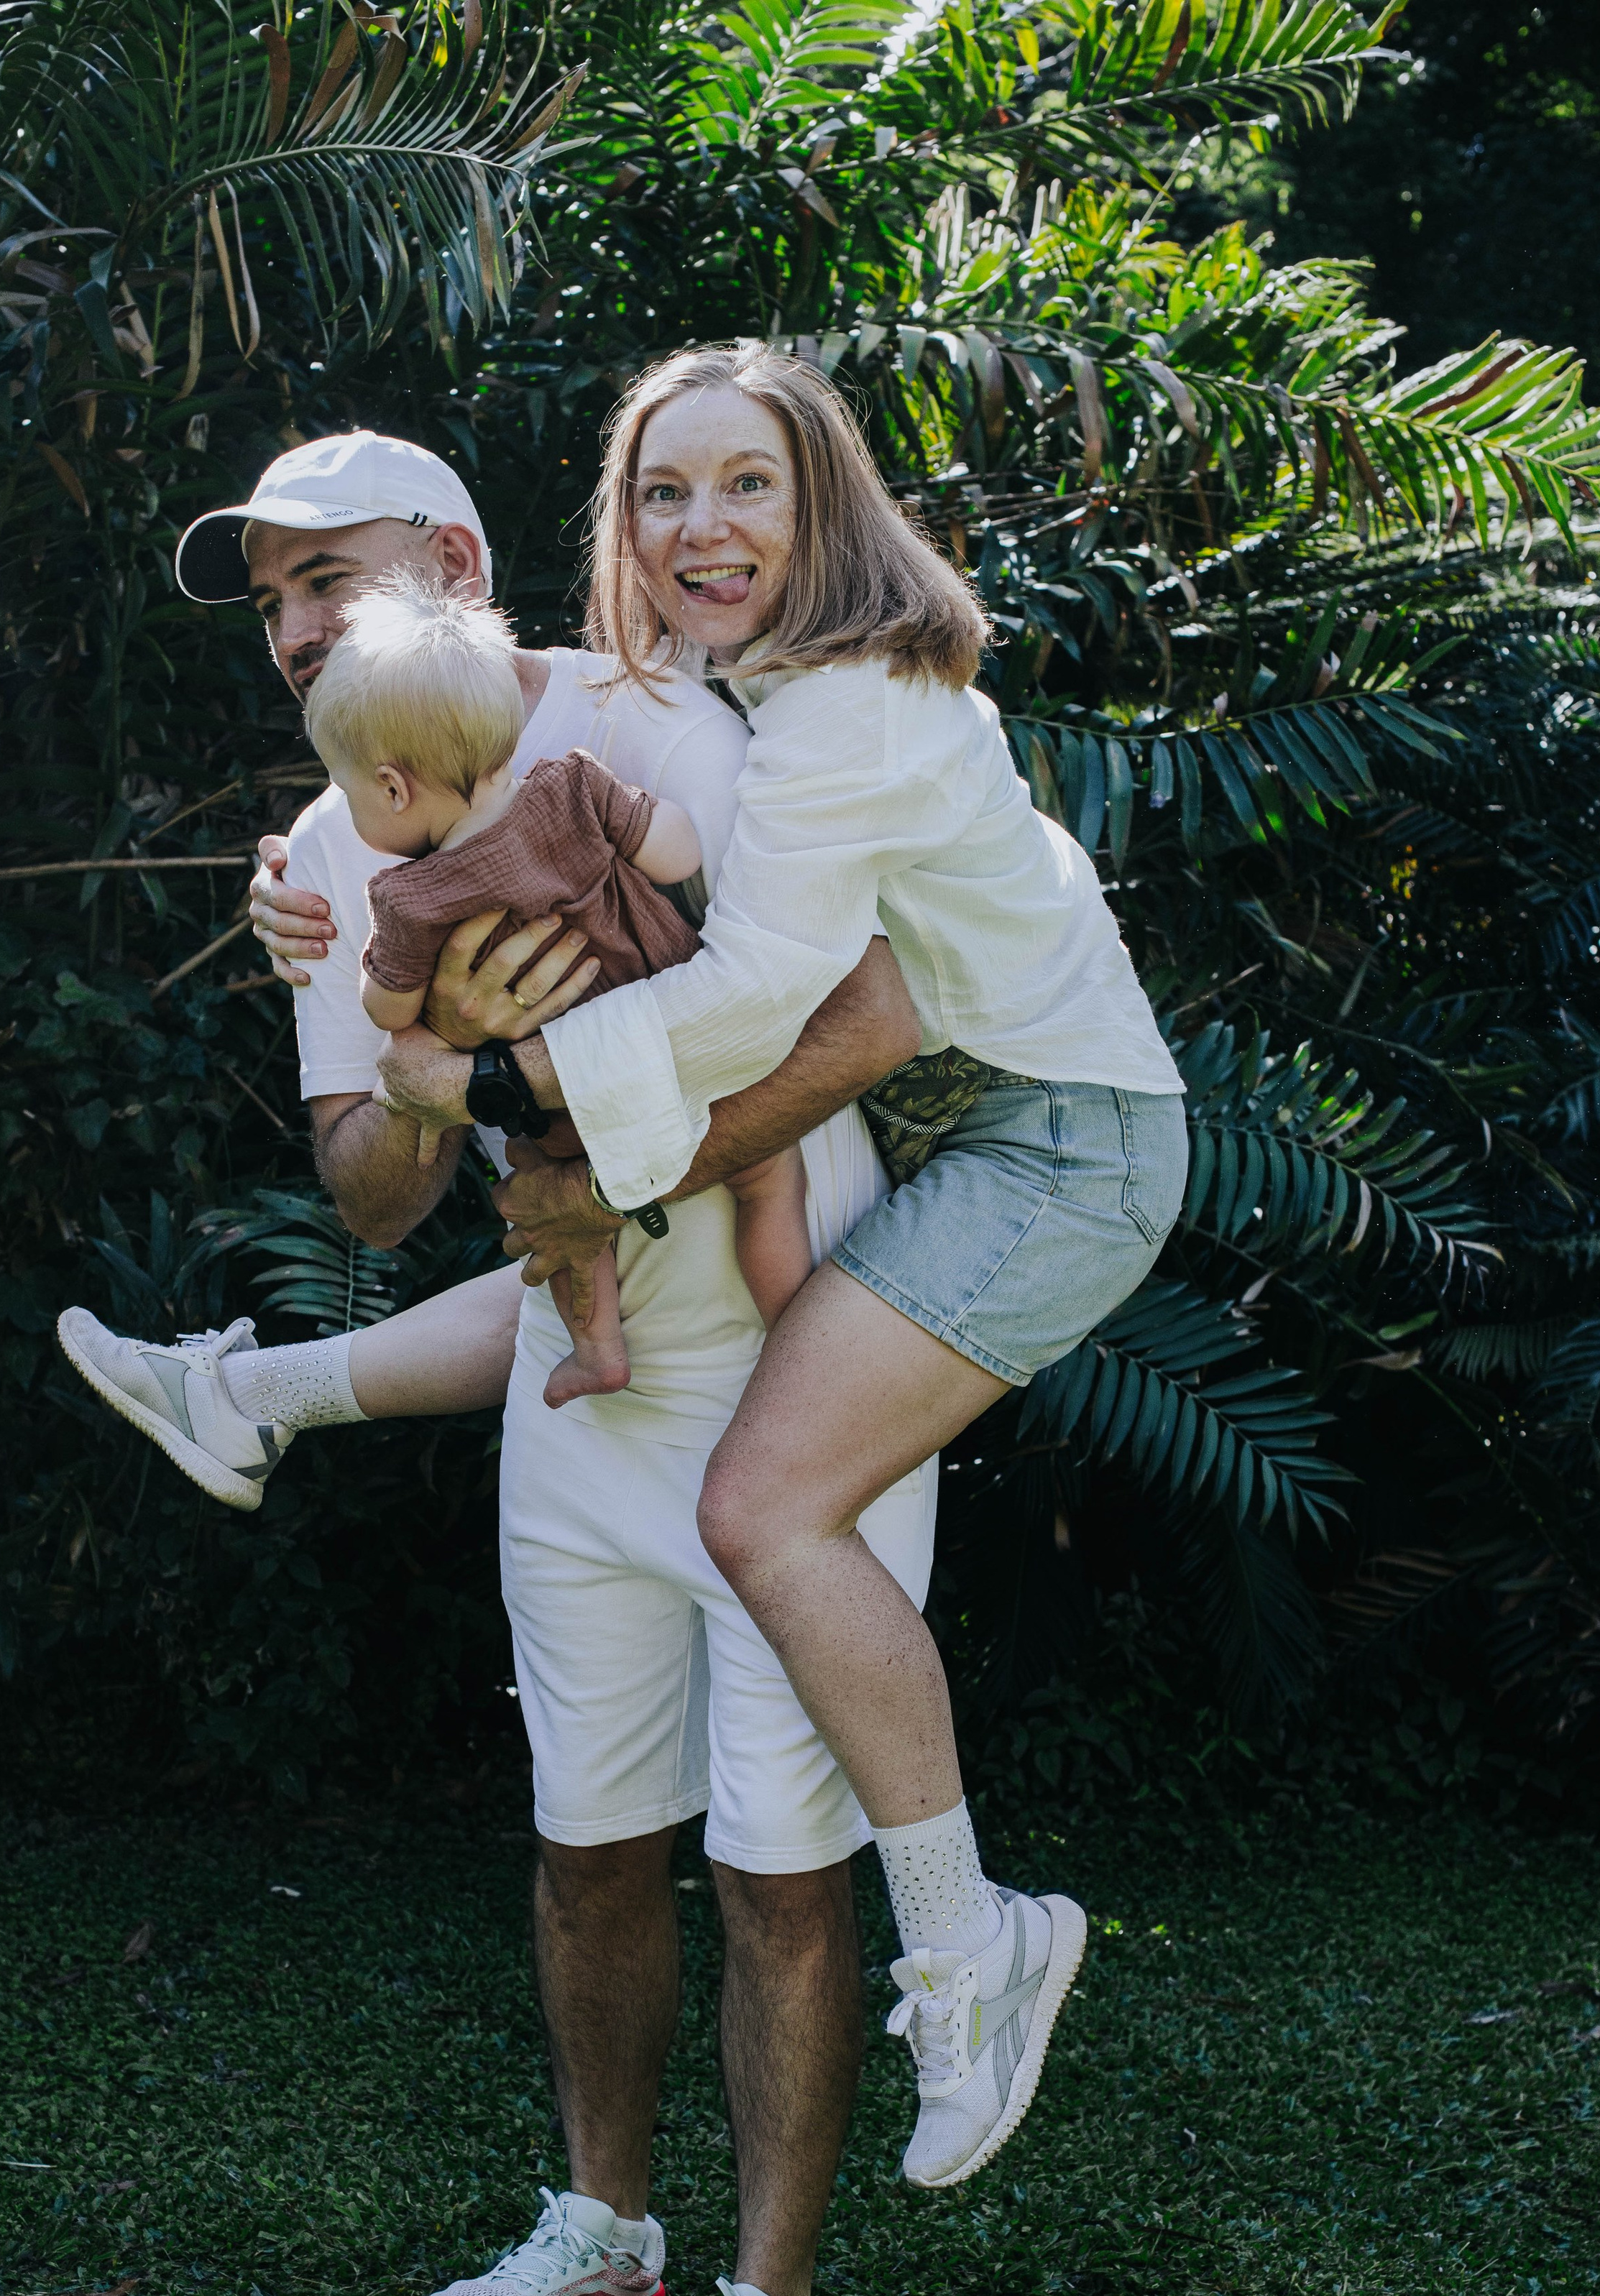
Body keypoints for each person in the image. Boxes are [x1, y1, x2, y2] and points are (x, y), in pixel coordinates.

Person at [60, 428, 1021, 2296]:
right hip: (570, 1412)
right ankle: (608, 2228)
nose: (302, 621)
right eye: (273, 596)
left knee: (781, 1875)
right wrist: (436, 1076)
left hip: (791, 1382)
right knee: (592, 1844)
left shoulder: (648, 712)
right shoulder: (334, 843)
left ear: (458, 563)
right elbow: (374, 1190)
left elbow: (863, 1013)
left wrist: (550, 1103)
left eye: (338, 575)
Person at [352, 349, 1190, 2197]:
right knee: (757, 1505)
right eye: (661, 492)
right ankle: (961, 1943)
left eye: (745, 484)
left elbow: (756, 999)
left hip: (1054, 1144)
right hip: (974, 1127)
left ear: (824, 501)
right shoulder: (768, 691)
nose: (699, 525)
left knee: (765, 1507)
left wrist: (486, 1079)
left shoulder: (839, 711)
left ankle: (972, 1939)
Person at [311, 576, 812, 1403]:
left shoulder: (406, 899)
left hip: (568, 1100)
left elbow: (389, 1011)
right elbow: (680, 855)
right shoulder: (574, 785)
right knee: (768, 1184)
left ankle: (598, 1350)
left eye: (350, 791)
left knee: (563, 1221)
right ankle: (797, 1345)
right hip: (679, 1045)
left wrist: (389, 976)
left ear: (394, 789)